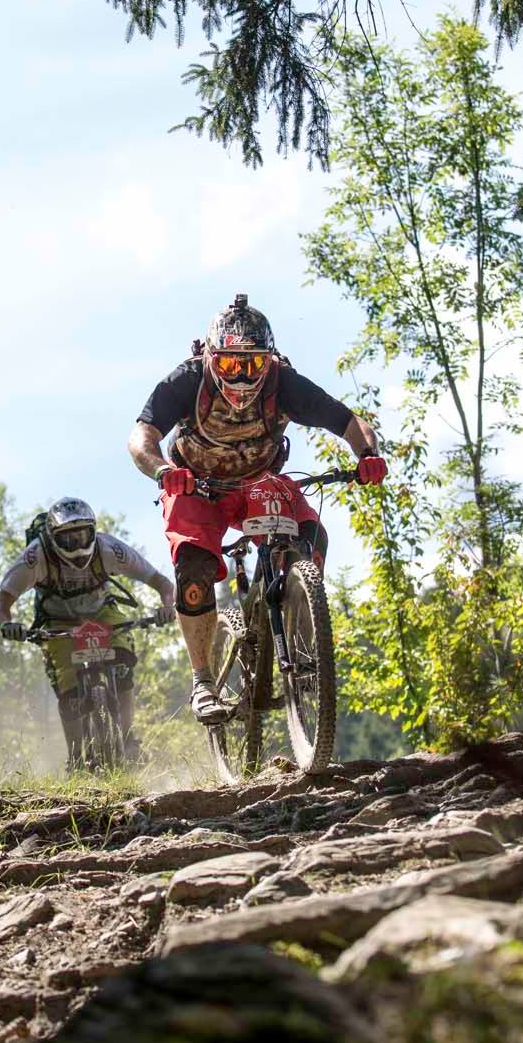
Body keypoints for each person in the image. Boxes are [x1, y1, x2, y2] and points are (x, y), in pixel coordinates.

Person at [127, 294, 387, 724]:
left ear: (270, 361)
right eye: (231, 365)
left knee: (312, 537)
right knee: (193, 569)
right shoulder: (188, 381)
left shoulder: (284, 383)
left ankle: (298, 614)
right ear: (211, 359)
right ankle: (204, 682)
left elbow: (347, 421)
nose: (244, 377)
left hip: (259, 482)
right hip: (195, 486)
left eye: (254, 365)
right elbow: (142, 434)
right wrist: (161, 471)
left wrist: (367, 455)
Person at [0, 496, 176, 767]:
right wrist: (8, 625)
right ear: (53, 538)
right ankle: (76, 759)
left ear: (93, 530)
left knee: (124, 663)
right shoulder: (35, 556)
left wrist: (167, 607)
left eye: (82, 535)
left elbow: (161, 582)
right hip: (57, 621)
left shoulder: (109, 548)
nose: (77, 545)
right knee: (69, 688)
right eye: (68, 539)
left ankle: (128, 739)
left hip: (103, 612)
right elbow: (1, 604)